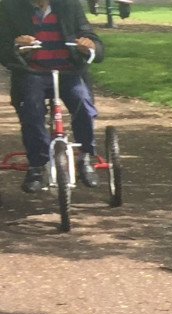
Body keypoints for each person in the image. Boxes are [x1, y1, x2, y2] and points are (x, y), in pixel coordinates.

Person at [2, 0, 102, 194]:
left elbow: (91, 38)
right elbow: (3, 47)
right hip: (32, 72)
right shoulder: (11, 7)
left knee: (83, 102)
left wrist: (89, 46)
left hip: (68, 72)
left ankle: (85, 156)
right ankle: (36, 165)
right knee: (31, 107)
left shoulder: (69, 5)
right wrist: (16, 45)